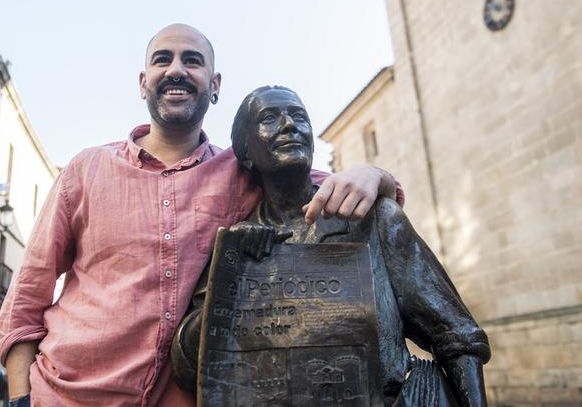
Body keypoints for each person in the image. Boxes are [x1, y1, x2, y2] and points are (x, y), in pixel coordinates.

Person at [0, 25, 402, 406]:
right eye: (162, 60)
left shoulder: (243, 171)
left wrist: (373, 174)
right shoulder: (85, 170)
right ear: (143, 83)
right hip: (70, 396)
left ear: (215, 86)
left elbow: (336, 189)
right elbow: (26, 301)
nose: (176, 70)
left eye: (191, 60)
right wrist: (20, 400)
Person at [171, 86, 490, 406]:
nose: (289, 124)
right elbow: (186, 366)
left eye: (299, 117)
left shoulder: (373, 220)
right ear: (245, 154)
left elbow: (457, 337)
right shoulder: (237, 245)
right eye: (269, 118)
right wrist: (231, 278)